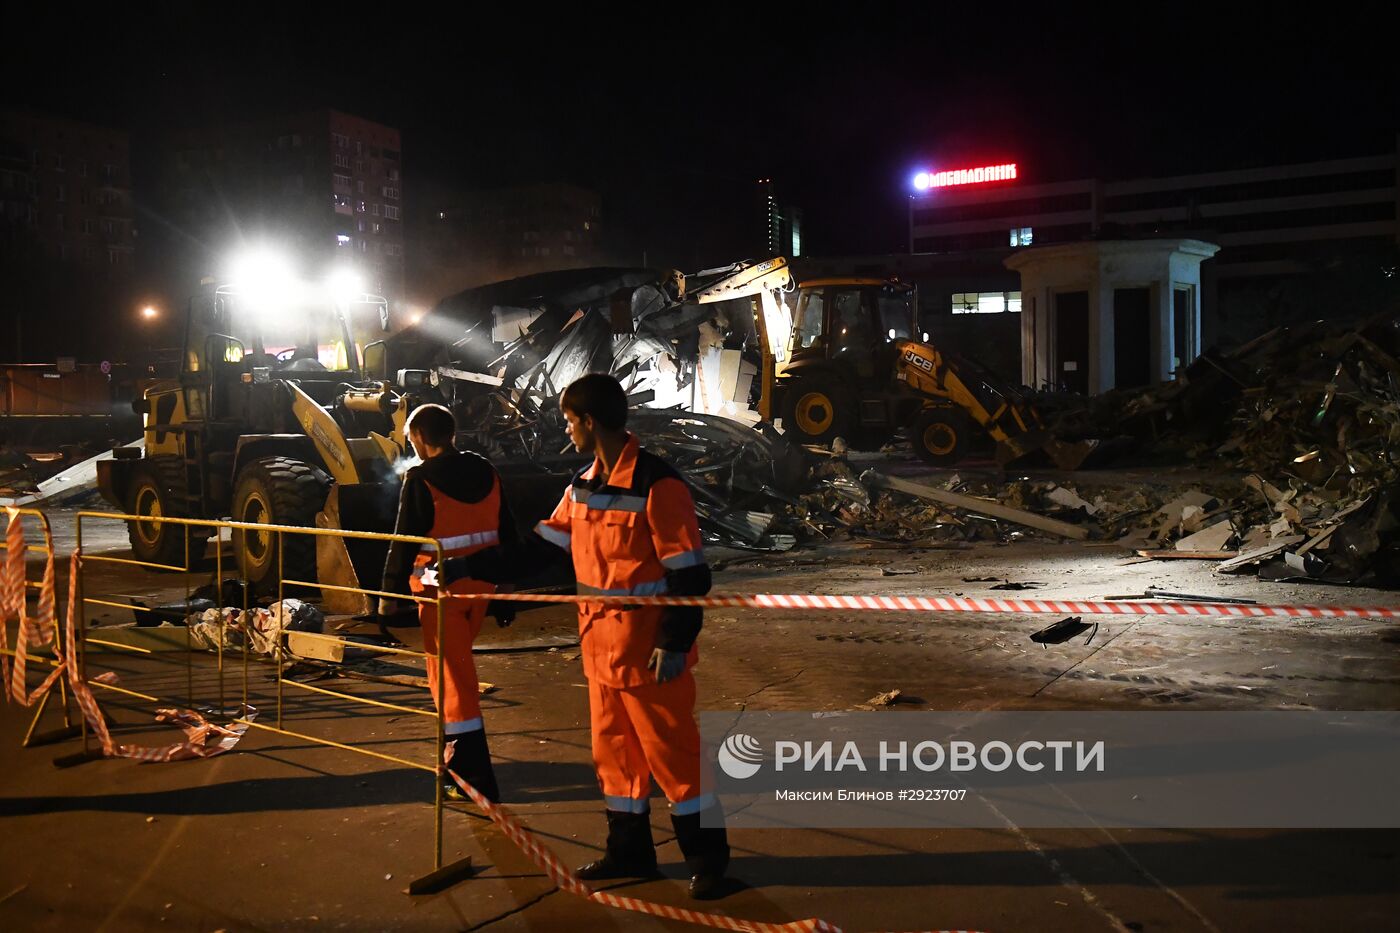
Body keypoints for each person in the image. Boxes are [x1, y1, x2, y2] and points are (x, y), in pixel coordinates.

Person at [534, 373, 731, 900]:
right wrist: (476, 576)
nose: (568, 430)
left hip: (648, 655)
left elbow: (689, 575)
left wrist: (673, 641)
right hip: (600, 651)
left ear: (589, 421)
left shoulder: (658, 484)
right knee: (615, 756)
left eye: (570, 421)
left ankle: (708, 860)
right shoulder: (581, 485)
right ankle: (630, 851)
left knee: (676, 757)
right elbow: (549, 549)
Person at [379, 403, 514, 803]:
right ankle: (459, 767)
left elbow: (403, 543)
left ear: (420, 437)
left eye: (411, 439)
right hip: (482, 586)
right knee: (456, 678)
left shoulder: (420, 479)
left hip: (439, 591)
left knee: (452, 685)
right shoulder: (488, 471)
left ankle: (470, 777)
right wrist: (506, 593)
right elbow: (508, 531)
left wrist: (386, 599)